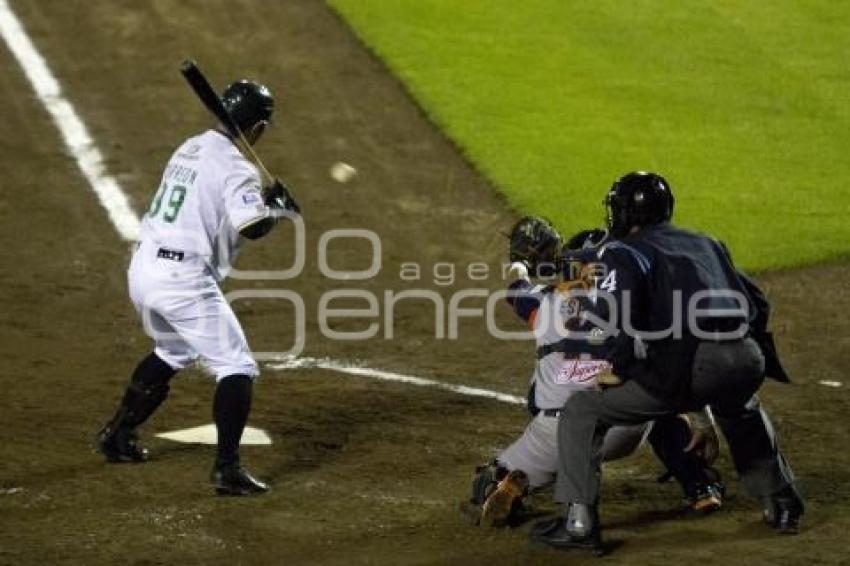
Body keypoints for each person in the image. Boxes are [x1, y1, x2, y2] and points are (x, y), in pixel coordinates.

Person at [531, 172, 803, 553]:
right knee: (740, 405)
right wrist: (744, 347)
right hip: (745, 357)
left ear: (625, 213)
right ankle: (783, 503)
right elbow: (757, 302)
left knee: (582, 411)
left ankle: (579, 524)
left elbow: (615, 318)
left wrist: (619, 368)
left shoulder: (624, 252)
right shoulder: (707, 242)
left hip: (687, 367)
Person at [96, 79, 300, 496]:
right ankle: (227, 468)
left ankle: (117, 434)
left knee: (174, 349)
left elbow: (212, 203)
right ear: (257, 127)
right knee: (238, 366)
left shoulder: (190, 146)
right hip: (183, 282)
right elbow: (251, 227)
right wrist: (277, 211)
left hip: (145, 270)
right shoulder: (238, 168)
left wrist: (265, 202)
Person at [464, 218, 724, 527]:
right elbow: (671, 364)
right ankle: (699, 485)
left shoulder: (544, 303)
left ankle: (507, 485)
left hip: (556, 432)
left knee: (488, 479)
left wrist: (520, 265)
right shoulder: (634, 301)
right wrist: (701, 416)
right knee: (660, 401)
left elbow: (517, 289)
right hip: (624, 424)